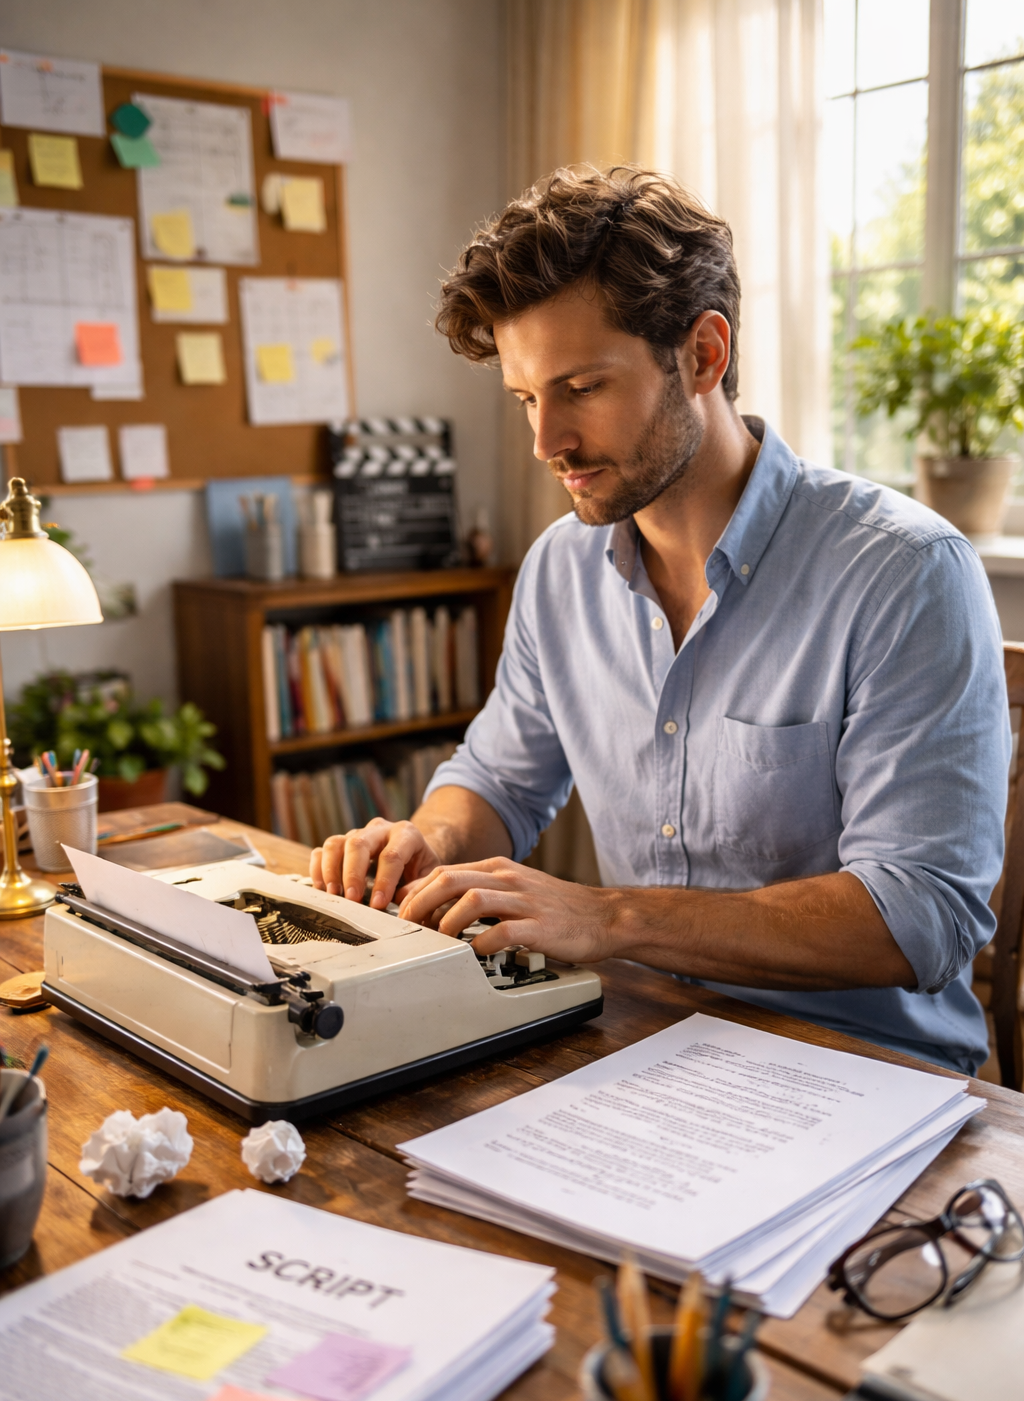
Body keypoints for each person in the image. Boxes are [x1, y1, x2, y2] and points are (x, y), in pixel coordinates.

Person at [311, 166, 1009, 1076]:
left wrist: (609, 917)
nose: (544, 443)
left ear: (704, 356)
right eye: (527, 397)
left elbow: (921, 914)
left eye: (583, 387)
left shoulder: (906, 572)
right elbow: (500, 779)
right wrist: (430, 844)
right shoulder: (561, 569)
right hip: (642, 1041)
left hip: (868, 1072)